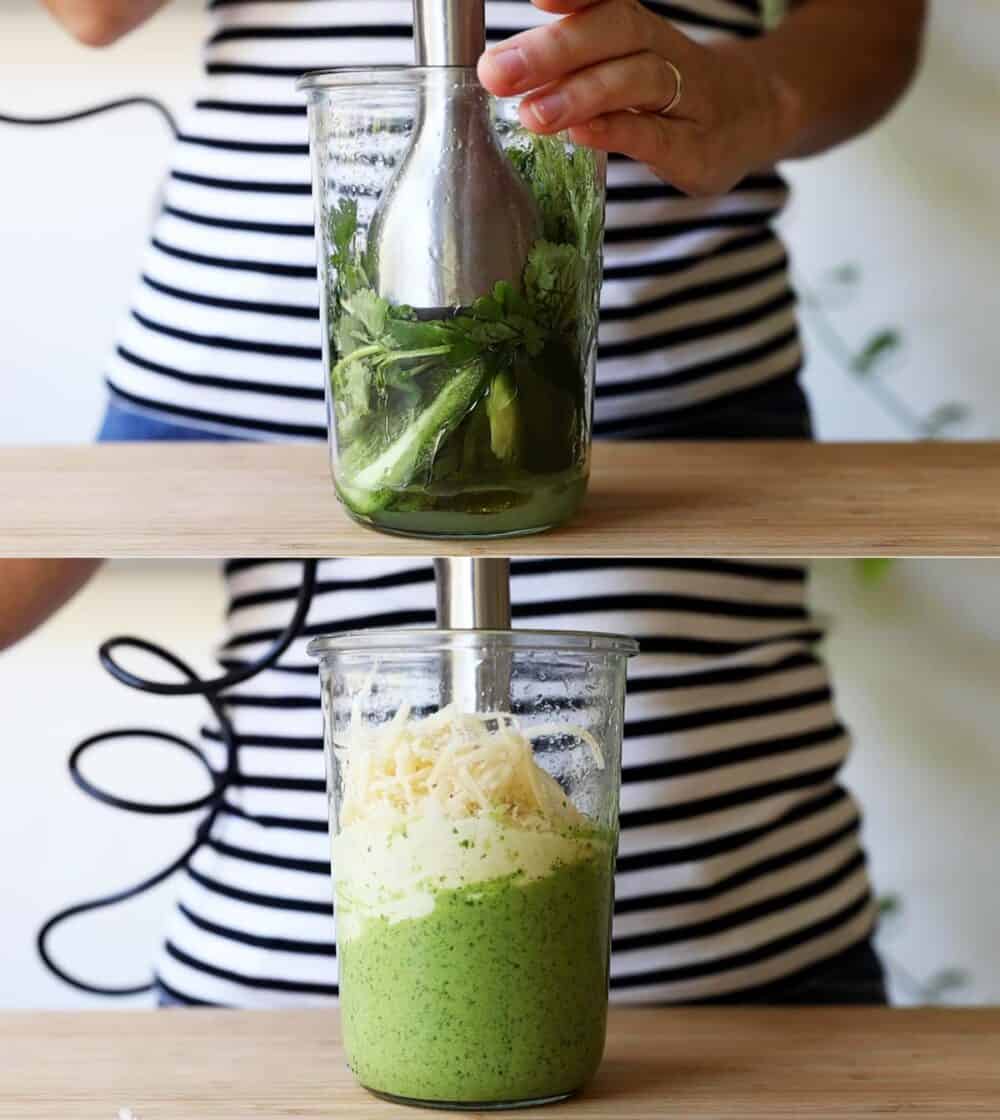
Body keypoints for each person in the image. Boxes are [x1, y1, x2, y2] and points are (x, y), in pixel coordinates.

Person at [7, 0, 926, 1006]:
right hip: (245, 337)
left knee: (659, 738)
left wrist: (761, 95)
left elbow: (871, 25)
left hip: (670, 364)